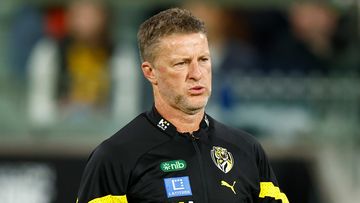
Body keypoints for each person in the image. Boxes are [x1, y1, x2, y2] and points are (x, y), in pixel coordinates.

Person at [76, 8, 288, 203]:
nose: (197, 74)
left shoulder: (247, 150)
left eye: (203, 59)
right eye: (181, 63)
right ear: (150, 72)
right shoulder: (116, 156)